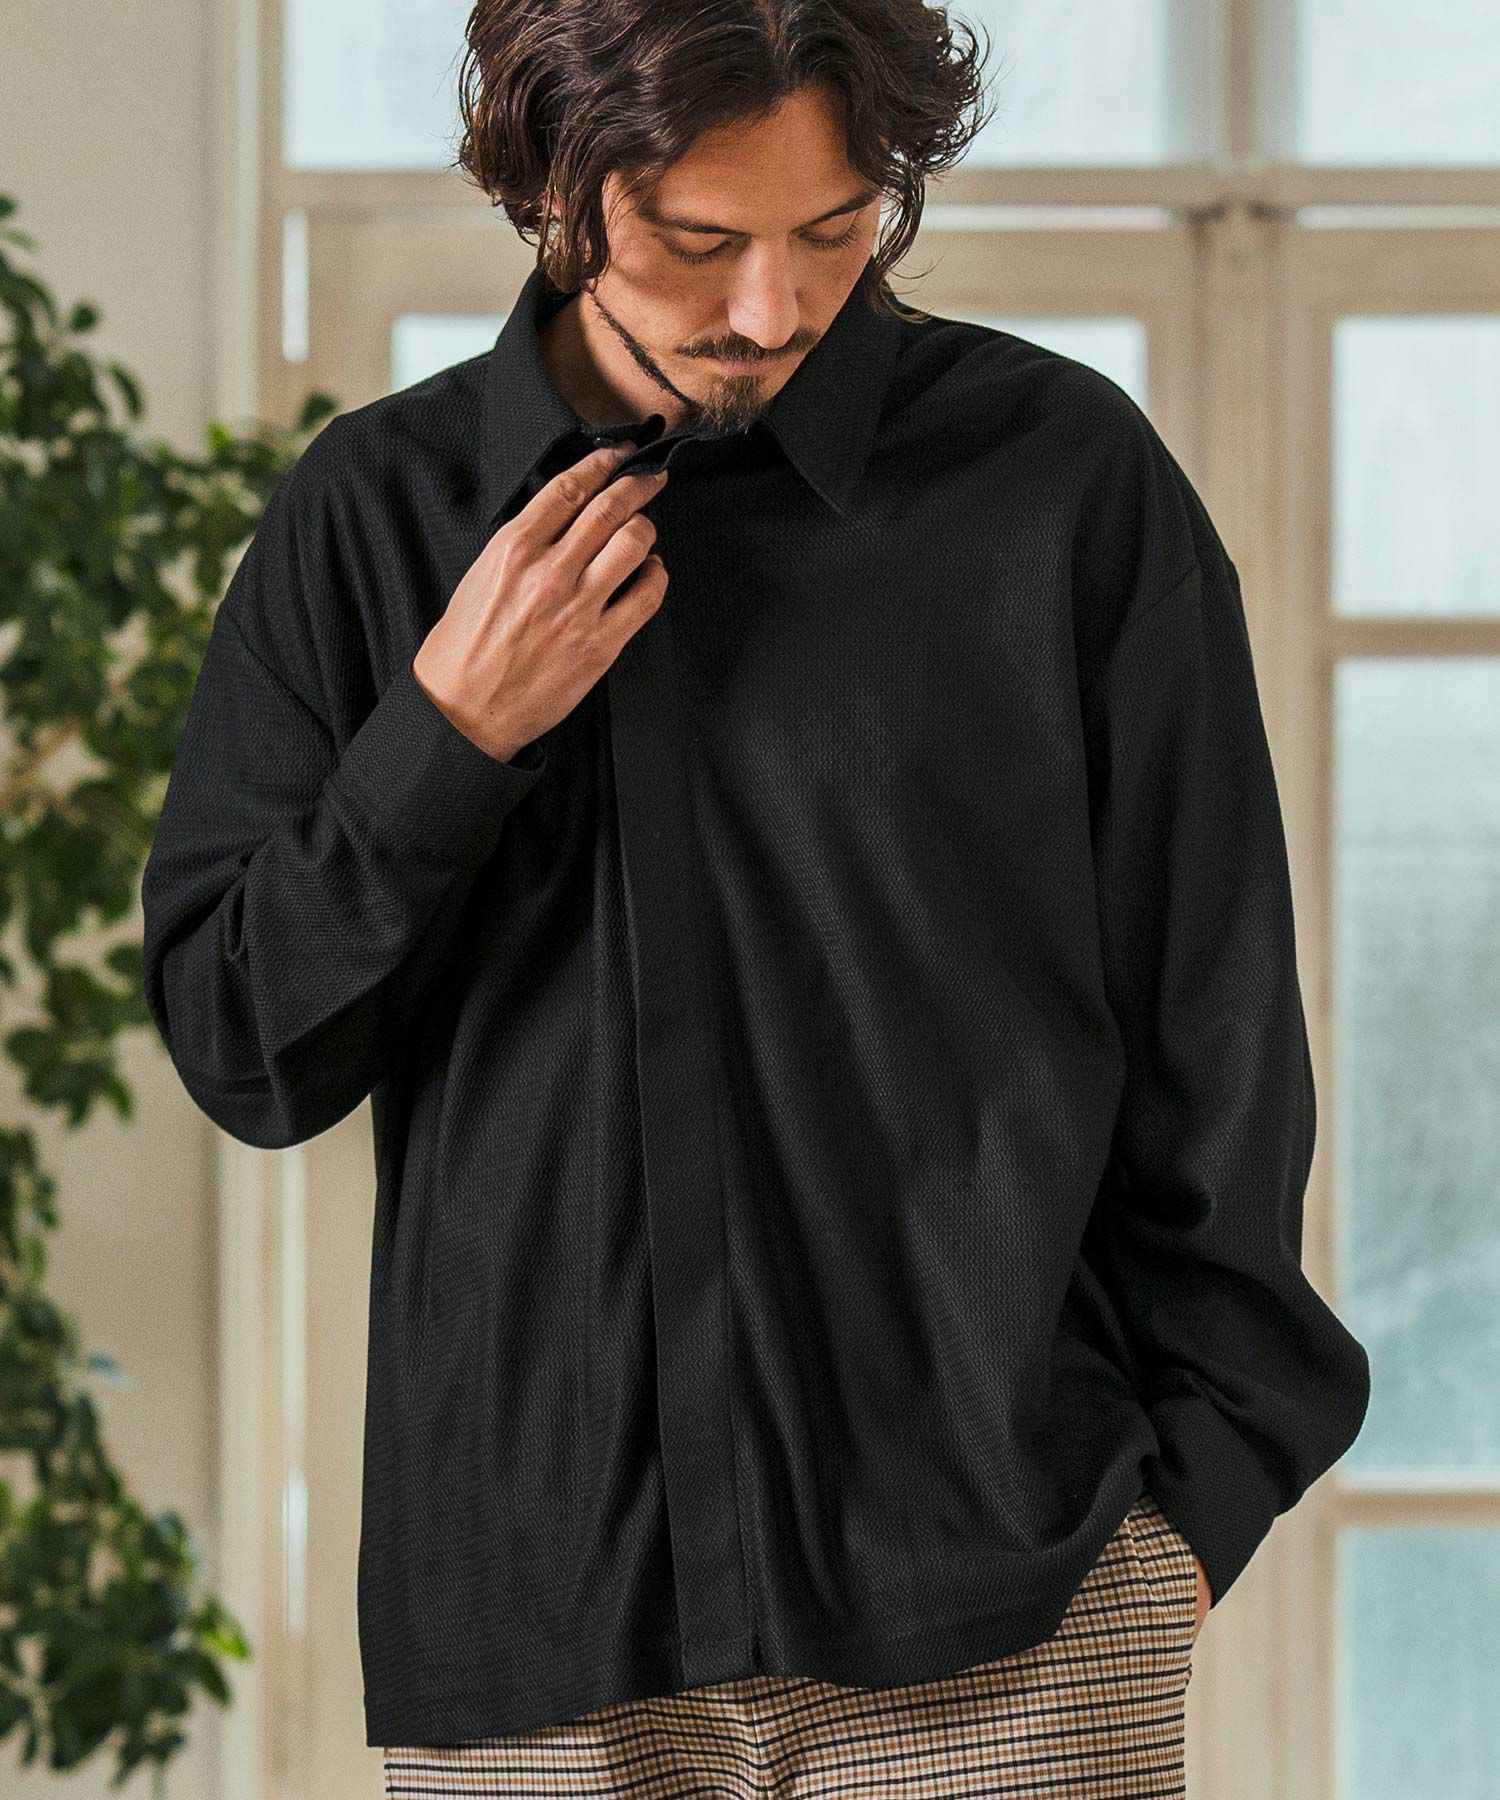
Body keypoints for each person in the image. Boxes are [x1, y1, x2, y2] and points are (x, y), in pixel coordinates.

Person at [140, 3, 1371, 1794]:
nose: (773, 307)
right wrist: (446, 738)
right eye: (696, 239)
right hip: (537, 1645)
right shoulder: (373, 521)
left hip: (1012, 1624)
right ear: (553, 185)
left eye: (835, 226)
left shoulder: (1063, 484)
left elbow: (1219, 1026)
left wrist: (1190, 1513)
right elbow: (246, 1051)